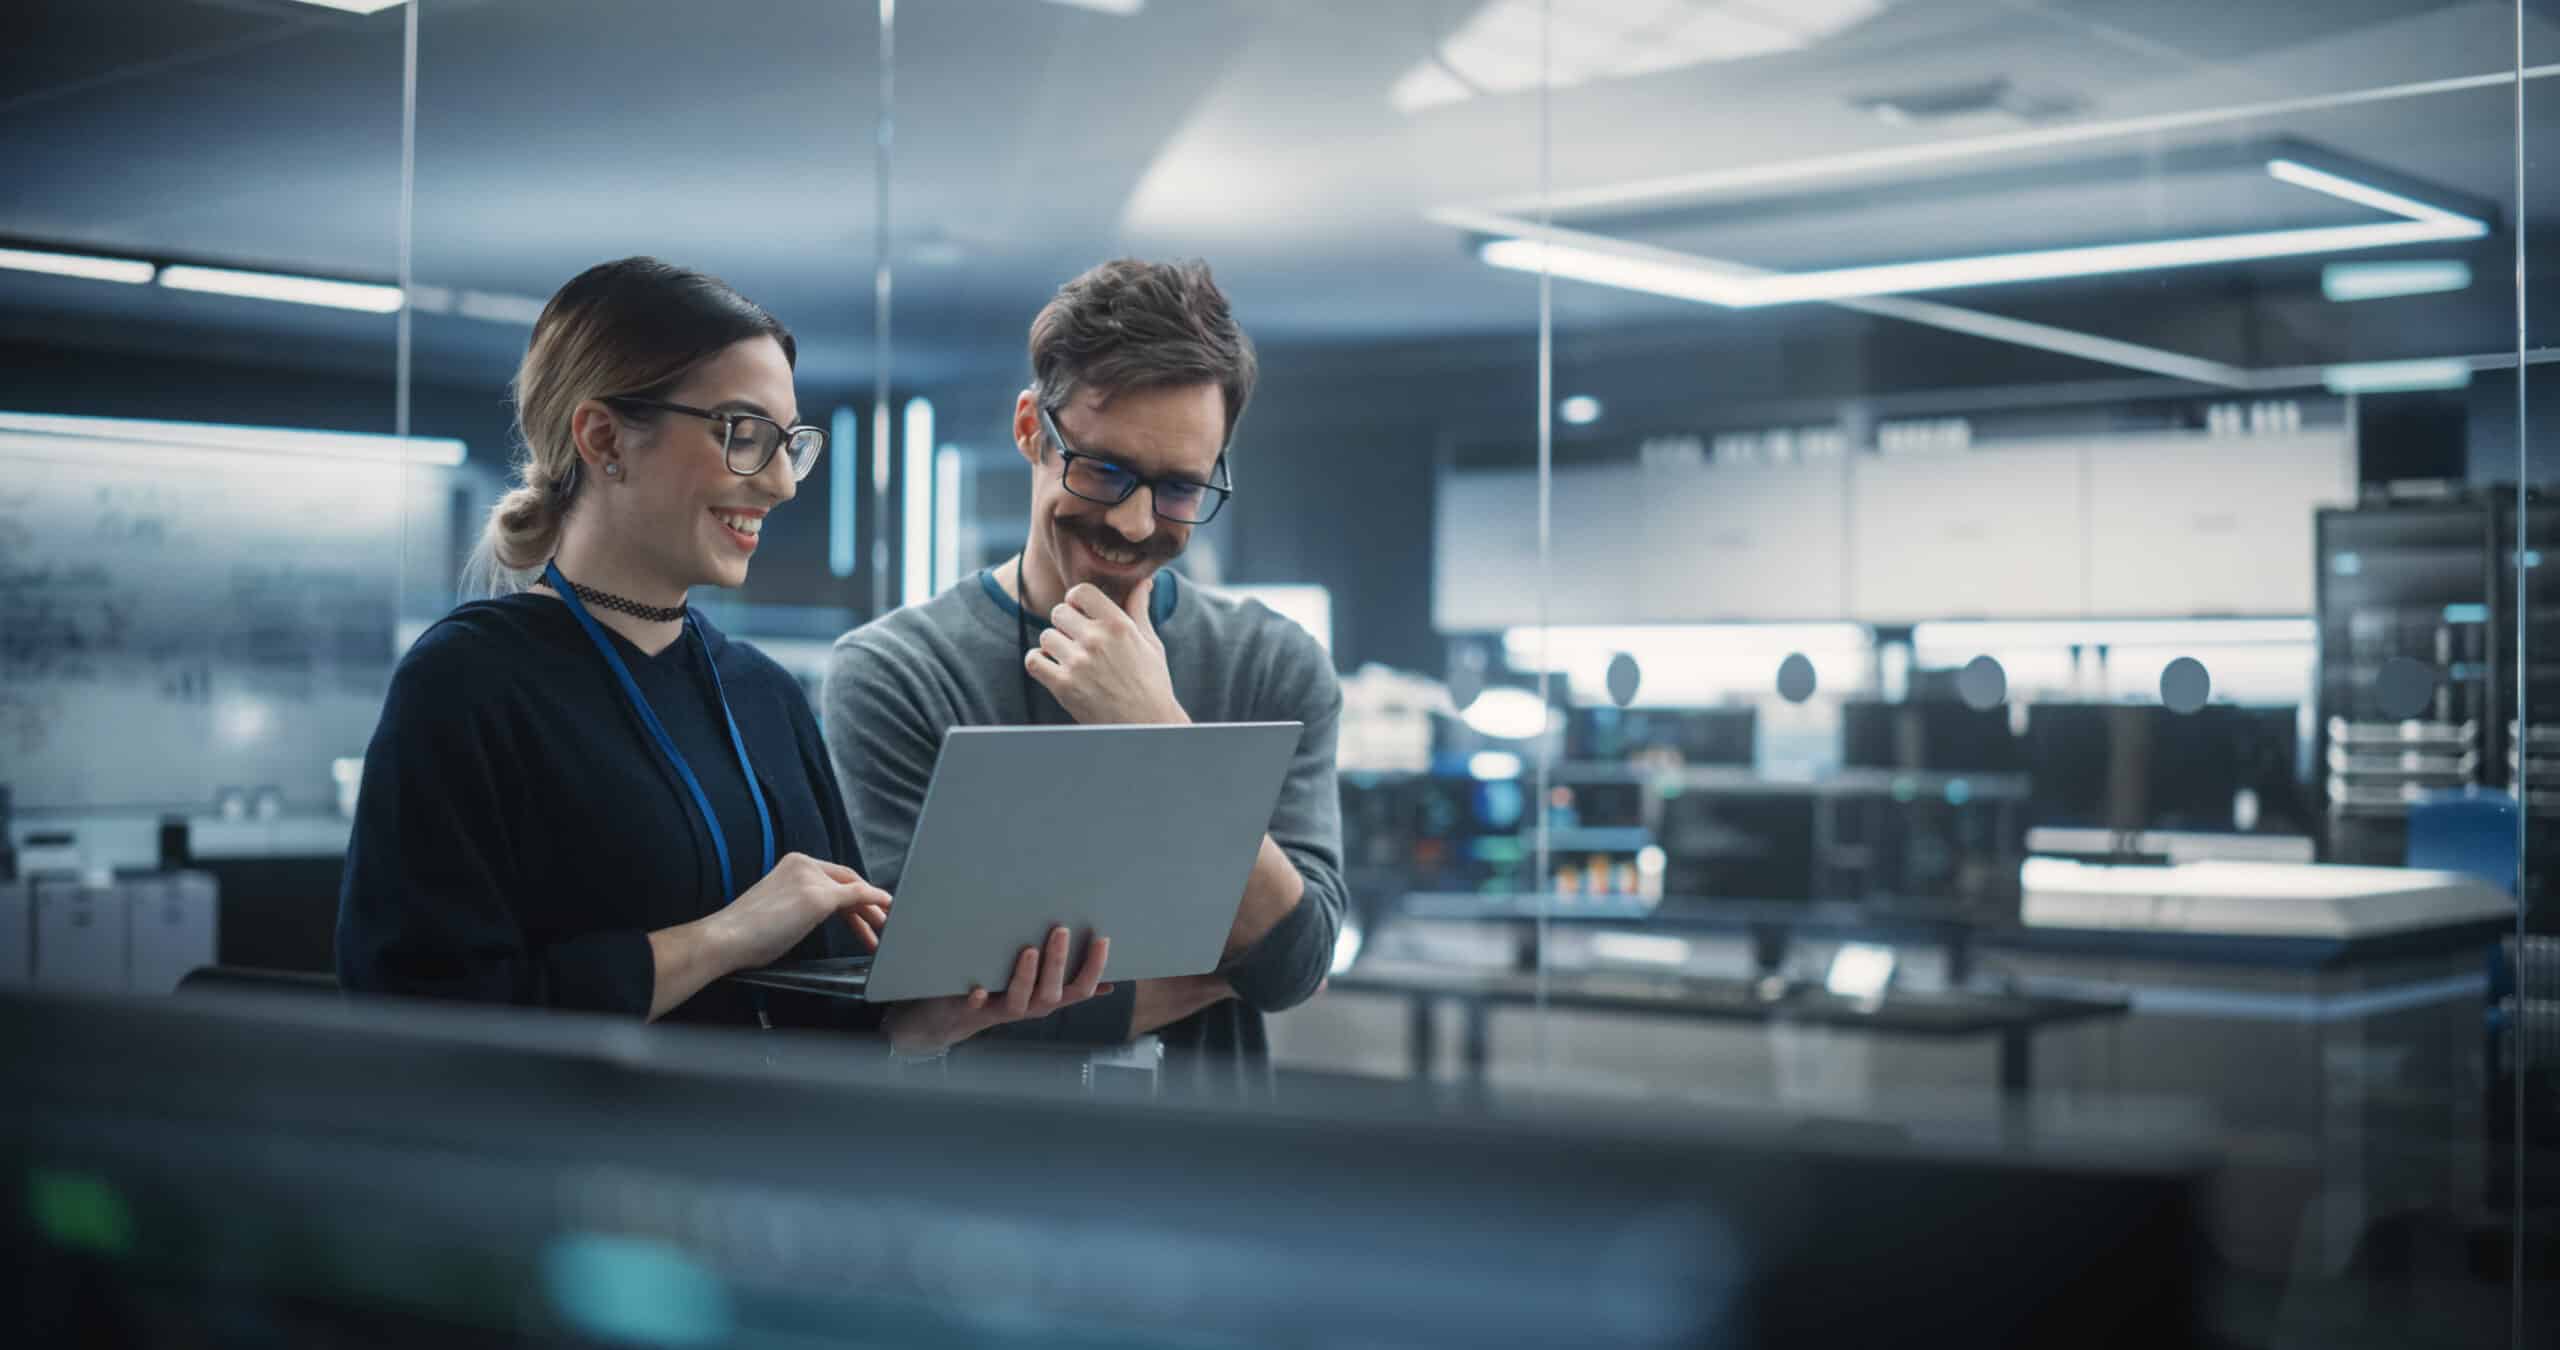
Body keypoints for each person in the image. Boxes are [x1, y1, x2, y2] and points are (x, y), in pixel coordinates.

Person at [336, 256, 1110, 1042]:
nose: (781, 483)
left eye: (789, 443)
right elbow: (419, 1023)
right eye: (743, 434)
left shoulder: (764, 695)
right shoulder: (467, 684)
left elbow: (831, 1016)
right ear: (605, 438)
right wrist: (729, 935)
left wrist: (928, 1019)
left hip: (764, 1158)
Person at [823, 258, 1344, 1061]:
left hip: (1202, 1173)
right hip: (977, 1167)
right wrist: (1218, 962)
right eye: (1104, 471)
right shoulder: (894, 671)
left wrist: (1159, 730)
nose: (1136, 524)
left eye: (1179, 489)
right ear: (1032, 428)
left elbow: (1295, 965)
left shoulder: (1272, 662)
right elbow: (919, 997)